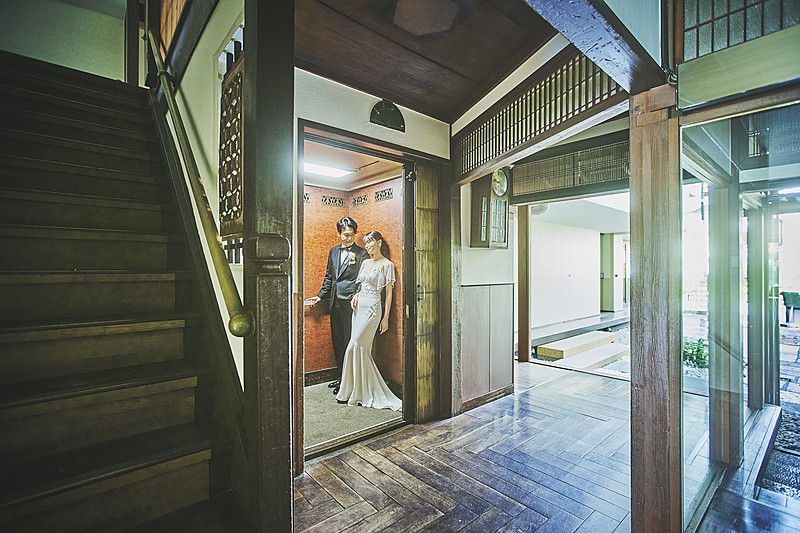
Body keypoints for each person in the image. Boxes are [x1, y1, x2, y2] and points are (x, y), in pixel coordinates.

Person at [336, 230, 402, 411]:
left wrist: (386, 317)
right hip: (359, 309)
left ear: (379, 242)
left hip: (373, 309)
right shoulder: (365, 263)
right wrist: (356, 294)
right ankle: (352, 390)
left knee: (356, 346)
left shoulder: (387, 265)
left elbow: (389, 294)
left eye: (370, 242)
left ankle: (362, 390)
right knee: (357, 348)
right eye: (365, 243)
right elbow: (362, 285)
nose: (367, 246)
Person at [308, 217, 368, 395]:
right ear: (339, 234)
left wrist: (357, 294)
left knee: (350, 341)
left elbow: (362, 279)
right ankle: (342, 376)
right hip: (334, 302)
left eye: (351, 235)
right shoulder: (333, 251)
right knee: (338, 342)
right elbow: (329, 277)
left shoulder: (361, 254)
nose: (348, 238)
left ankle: (350, 381)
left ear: (355, 234)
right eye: (344, 235)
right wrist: (320, 296)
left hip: (351, 303)